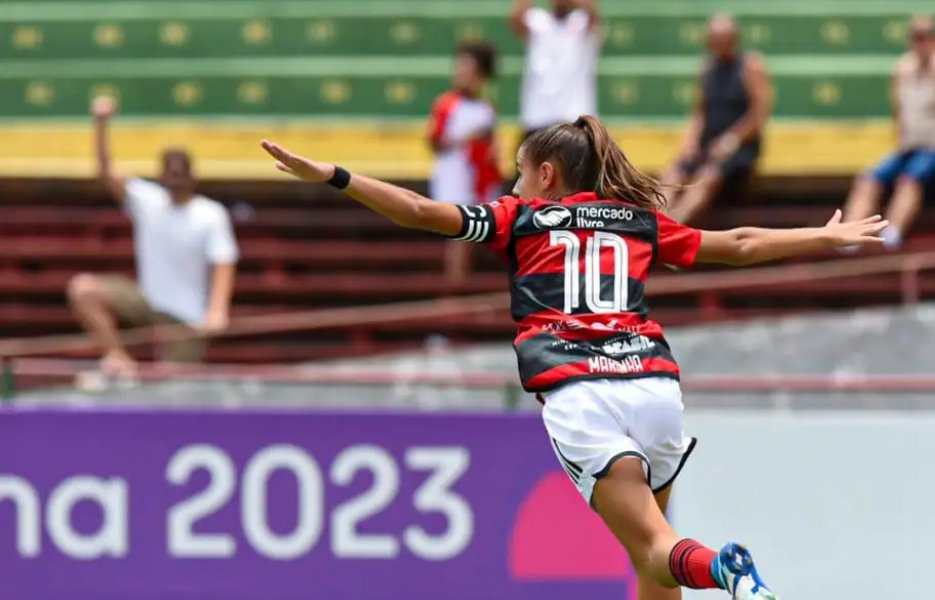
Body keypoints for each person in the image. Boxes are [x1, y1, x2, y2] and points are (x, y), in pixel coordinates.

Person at [260, 116, 888, 600]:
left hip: (582, 391)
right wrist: (824, 235)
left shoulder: (521, 218)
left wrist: (336, 177)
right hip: (654, 389)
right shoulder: (634, 220)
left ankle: (724, 568)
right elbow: (739, 242)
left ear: (547, 176)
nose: (512, 183)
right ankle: (710, 567)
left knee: (656, 549)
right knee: (653, 561)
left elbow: (424, 212)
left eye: (518, 170)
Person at [68, 96, 239, 376]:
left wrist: (217, 311)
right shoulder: (149, 201)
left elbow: (224, 262)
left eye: (179, 172)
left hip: (186, 315)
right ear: (161, 175)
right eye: (169, 172)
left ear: (191, 174)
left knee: (171, 385)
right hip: (147, 302)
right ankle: (117, 359)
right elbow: (105, 169)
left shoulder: (210, 213)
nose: (174, 178)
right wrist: (101, 124)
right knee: (84, 289)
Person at [841, 15, 935, 251]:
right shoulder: (903, 69)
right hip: (909, 146)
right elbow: (899, 113)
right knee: (868, 179)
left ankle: (892, 232)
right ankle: (848, 235)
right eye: (916, 38)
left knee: (910, 180)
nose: (921, 43)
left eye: (925, 37)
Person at [659, 14, 772, 225]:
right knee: (671, 173)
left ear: (734, 39)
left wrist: (731, 140)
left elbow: (759, 112)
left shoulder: (750, 65)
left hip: (739, 148)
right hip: (708, 145)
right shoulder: (707, 68)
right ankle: (655, 223)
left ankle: (673, 228)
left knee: (706, 178)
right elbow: (700, 112)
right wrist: (690, 142)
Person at [428, 42, 502, 284]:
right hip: (455, 175)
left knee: (475, 234)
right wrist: (466, 137)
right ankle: (455, 287)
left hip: (479, 176)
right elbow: (435, 140)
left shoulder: (487, 106)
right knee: (459, 234)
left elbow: (493, 142)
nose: (460, 74)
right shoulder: (446, 104)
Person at [510, 0, 602, 142]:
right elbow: (516, 20)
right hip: (538, 118)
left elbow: (594, 15)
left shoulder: (580, 21)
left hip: (575, 118)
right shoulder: (538, 21)